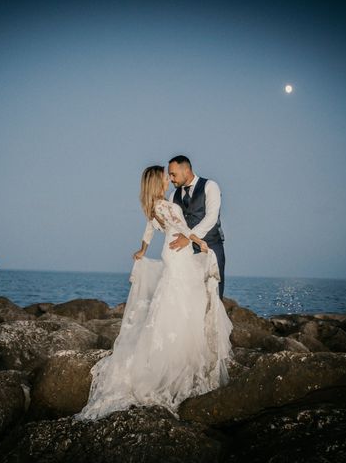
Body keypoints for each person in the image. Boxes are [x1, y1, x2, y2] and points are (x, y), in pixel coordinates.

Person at [73, 165, 233, 422]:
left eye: (171, 175)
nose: (168, 179)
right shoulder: (168, 205)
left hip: (170, 254)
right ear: (157, 182)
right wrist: (200, 243)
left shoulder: (155, 205)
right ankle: (186, 359)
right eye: (164, 176)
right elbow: (181, 227)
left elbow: (150, 228)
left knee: (173, 300)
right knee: (188, 300)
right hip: (178, 252)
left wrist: (143, 248)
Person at [167, 155, 226, 300]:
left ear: (186, 171)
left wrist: (188, 237)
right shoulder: (173, 196)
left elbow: (211, 217)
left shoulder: (210, 186)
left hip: (211, 246)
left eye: (173, 174)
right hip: (185, 253)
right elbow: (171, 225)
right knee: (189, 294)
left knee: (214, 291)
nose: (170, 179)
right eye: (169, 175)